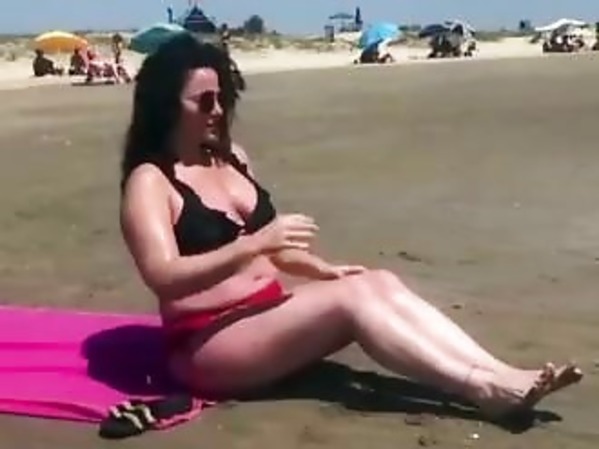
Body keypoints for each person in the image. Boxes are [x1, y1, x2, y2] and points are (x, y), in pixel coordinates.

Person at [120, 33, 582, 421]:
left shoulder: (233, 158)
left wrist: (320, 269)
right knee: (352, 301)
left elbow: (273, 250)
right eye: (204, 101)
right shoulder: (151, 181)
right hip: (205, 343)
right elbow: (163, 276)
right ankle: (480, 389)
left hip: (264, 315)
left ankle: (500, 372)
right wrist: (255, 244)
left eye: (222, 97)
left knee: (376, 281)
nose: (218, 109)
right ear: (168, 105)